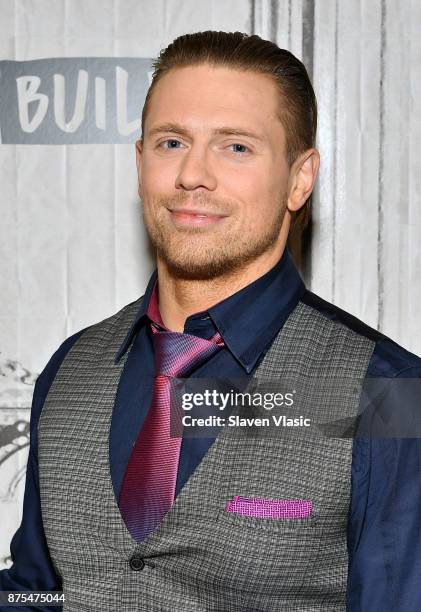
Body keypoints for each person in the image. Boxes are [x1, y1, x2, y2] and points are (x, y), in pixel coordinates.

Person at [1, 30, 421, 612]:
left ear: (300, 179)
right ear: (140, 159)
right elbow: (37, 594)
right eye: (171, 142)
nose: (193, 174)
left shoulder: (389, 393)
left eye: (236, 147)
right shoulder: (70, 369)